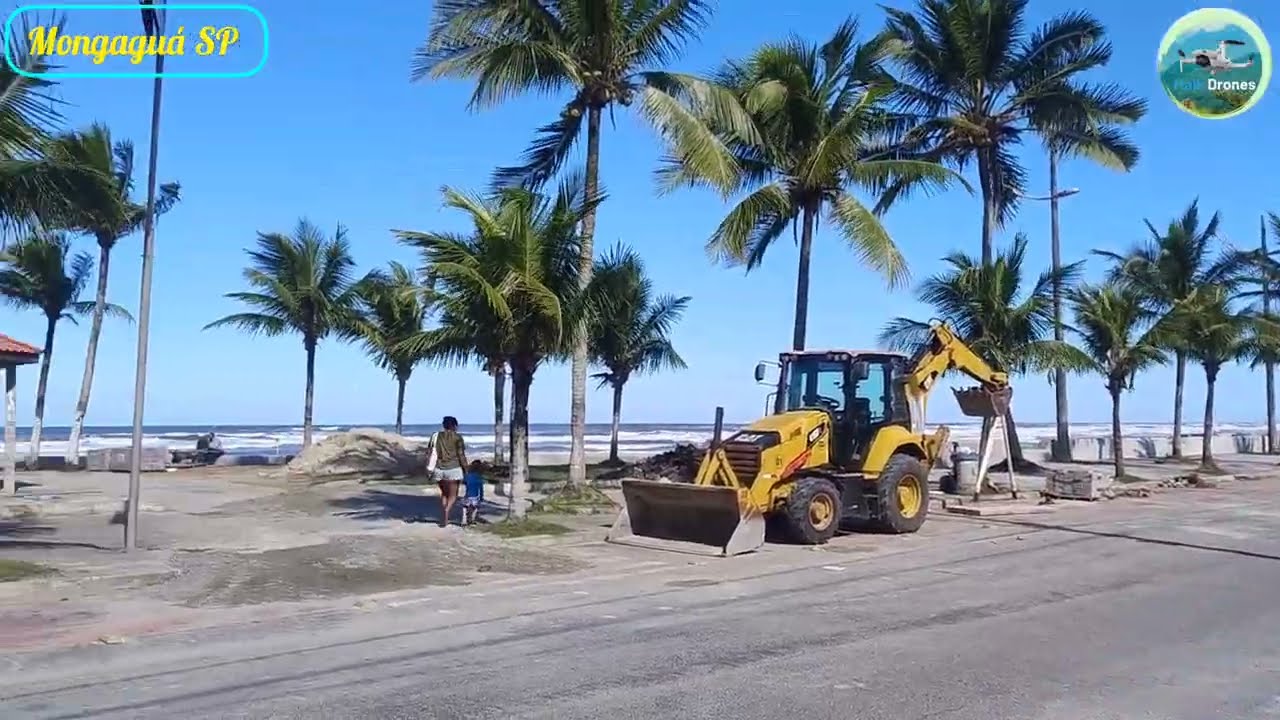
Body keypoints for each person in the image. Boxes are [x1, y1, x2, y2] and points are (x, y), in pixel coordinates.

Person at [430, 416, 468, 526]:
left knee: (444, 493)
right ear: (454, 426)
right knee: (453, 495)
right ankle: (447, 511)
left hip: (439, 469)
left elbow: (430, 451)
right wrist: (466, 468)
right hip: (454, 469)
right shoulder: (457, 438)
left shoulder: (436, 436)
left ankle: (444, 512)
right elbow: (461, 455)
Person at [461, 460, 485, 526]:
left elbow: (464, 482)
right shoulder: (479, 477)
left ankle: (464, 521)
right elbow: (481, 488)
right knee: (475, 507)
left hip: (467, 495)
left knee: (465, 507)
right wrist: (481, 497)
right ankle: (472, 520)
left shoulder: (467, 476)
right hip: (475, 495)